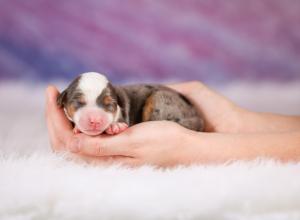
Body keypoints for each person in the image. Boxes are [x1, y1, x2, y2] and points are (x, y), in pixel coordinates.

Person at [46, 81, 300, 167]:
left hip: (170, 110)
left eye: (106, 105)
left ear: (116, 104)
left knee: (155, 105)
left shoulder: (123, 105)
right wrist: (234, 122)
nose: (94, 116)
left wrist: (196, 147)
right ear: (63, 102)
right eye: (79, 105)